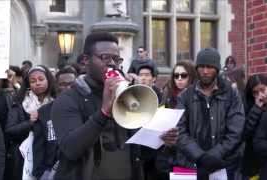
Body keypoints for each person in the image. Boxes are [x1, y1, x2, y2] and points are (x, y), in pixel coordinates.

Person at [51, 32, 177, 180]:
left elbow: (136, 151)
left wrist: (162, 141)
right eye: (105, 57)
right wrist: (104, 112)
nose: (112, 63)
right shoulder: (68, 99)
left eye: (116, 59)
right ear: (85, 60)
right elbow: (71, 149)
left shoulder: (127, 96)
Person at [176, 48, 245, 179]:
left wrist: (216, 154)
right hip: (189, 165)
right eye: (201, 67)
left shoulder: (231, 94)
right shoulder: (185, 96)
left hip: (222, 164)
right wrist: (200, 156)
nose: (205, 71)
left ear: (217, 69)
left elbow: (236, 130)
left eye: (209, 67)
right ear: (196, 69)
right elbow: (180, 131)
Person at [5, 65, 56, 180]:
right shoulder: (19, 103)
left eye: (41, 79)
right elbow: (9, 130)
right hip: (24, 159)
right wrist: (30, 123)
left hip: (50, 159)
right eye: (33, 81)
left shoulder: (57, 102)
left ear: (48, 79)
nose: (37, 83)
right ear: (28, 84)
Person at [32, 67, 77, 179]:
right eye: (63, 84)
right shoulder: (44, 112)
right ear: (56, 86)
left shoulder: (85, 110)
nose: (67, 88)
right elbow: (38, 147)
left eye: (71, 84)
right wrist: (40, 173)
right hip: (51, 172)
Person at [156, 60, 197, 180]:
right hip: (170, 158)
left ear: (192, 76)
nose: (179, 79)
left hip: (191, 157)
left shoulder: (199, 97)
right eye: (176, 75)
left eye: (184, 75)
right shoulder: (167, 96)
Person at [242, 74, 267, 178]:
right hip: (253, 162)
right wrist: (257, 109)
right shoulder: (249, 106)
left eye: (262, 90)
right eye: (255, 92)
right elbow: (245, 133)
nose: (260, 95)